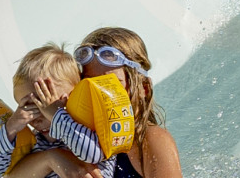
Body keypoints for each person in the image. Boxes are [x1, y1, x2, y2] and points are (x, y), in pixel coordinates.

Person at [0, 44, 116, 178]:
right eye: (28, 109)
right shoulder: (36, 141)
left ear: (73, 98)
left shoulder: (93, 130)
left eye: (43, 106)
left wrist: (56, 116)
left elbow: (91, 155)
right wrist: (11, 127)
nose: (35, 119)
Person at [73, 27, 182, 178]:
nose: (100, 95)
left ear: (144, 89)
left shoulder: (153, 141)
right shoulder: (80, 141)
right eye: (90, 85)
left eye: (112, 84)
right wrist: (50, 159)